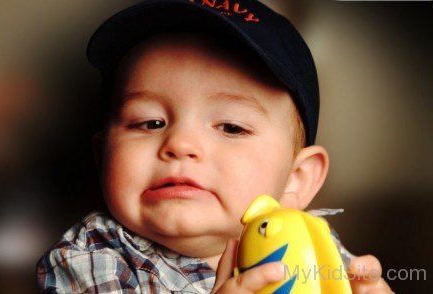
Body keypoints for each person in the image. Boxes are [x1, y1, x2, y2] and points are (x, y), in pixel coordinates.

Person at [37, 1, 393, 293]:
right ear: (103, 157)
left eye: (231, 127)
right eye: (150, 122)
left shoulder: (312, 245)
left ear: (295, 180)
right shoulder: (92, 257)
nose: (181, 144)